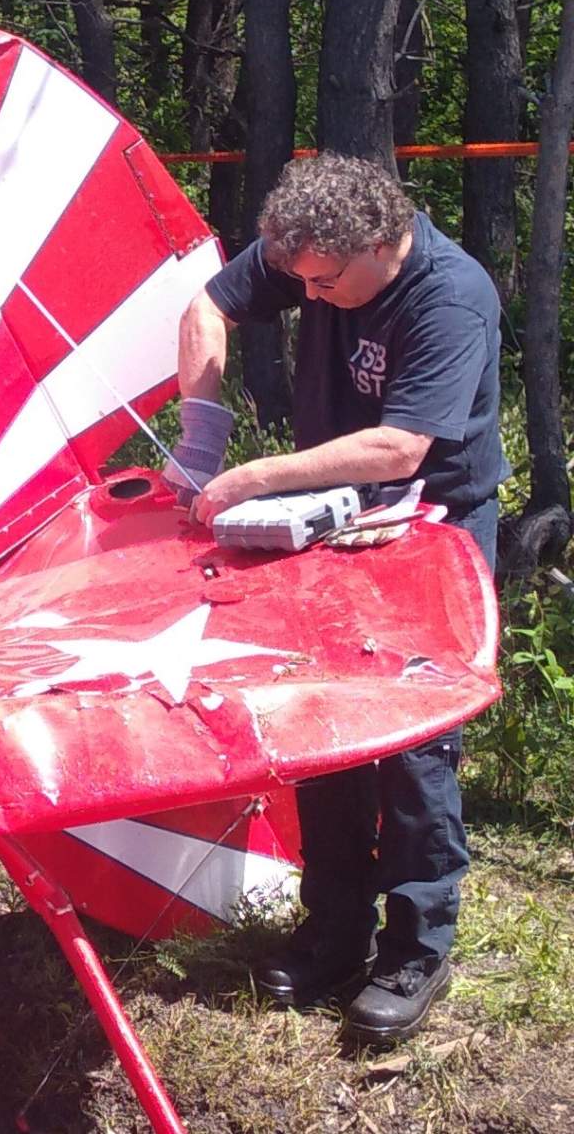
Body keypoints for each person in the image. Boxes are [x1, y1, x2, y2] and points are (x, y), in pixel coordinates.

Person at [162, 152, 507, 1046]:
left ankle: (416, 947)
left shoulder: (450, 296)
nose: (308, 297)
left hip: (430, 530)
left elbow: (399, 450)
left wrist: (258, 474)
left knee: (414, 741)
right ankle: (335, 931)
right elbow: (208, 302)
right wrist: (203, 436)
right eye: (298, 279)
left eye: (325, 282)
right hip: (326, 526)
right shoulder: (306, 253)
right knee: (325, 727)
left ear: (378, 245)